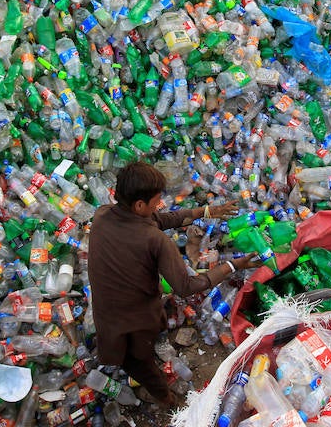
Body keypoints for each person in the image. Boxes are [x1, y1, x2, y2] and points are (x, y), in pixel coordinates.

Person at [88, 161, 262, 408]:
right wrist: (233, 266)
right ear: (139, 204)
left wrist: (207, 211)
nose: (159, 205)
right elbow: (187, 286)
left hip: (105, 307)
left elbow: (161, 219)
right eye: (155, 201)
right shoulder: (154, 240)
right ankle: (167, 400)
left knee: (132, 345)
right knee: (140, 362)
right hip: (133, 318)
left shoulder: (103, 214)